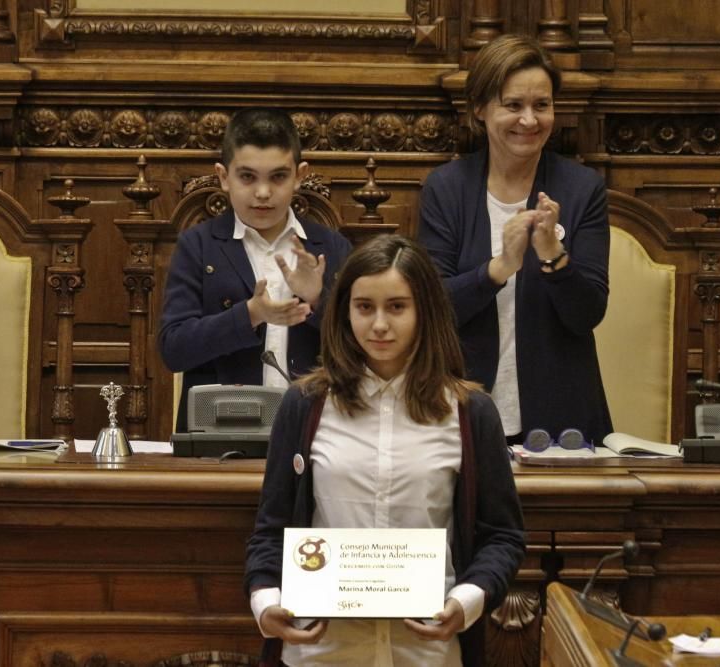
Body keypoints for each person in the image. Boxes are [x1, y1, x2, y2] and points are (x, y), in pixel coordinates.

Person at [244, 235, 524, 667]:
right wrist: (267, 600)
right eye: (364, 307)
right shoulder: (305, 406)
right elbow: (271, 528)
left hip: (427, 651)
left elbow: (502, 536)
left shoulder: (471, 412)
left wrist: (466, 601)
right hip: (321, 650)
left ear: (424, 311)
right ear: (344, 312)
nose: (378, 325)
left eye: (397, 306)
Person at [418, 34, 613, 447]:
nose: (530, 120)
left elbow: (587, 314)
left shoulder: (582, 189)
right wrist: (497, 269)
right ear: (480, 109)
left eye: (542, 105)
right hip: (461, 409)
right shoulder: (446, 189)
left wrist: (553, 257)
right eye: (513, 105)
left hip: (564, 416)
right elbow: (431, 307)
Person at [159, 108, 352, 432]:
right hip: (217, 435)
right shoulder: (198, 245)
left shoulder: (330, 247)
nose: (263, 193)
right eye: (247, 177)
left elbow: (359, 352)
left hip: (315, 434)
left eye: (278, 177)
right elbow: (173, 350)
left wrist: (318, 300)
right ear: (223, 176)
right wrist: (249, 314)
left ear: (300, 175)